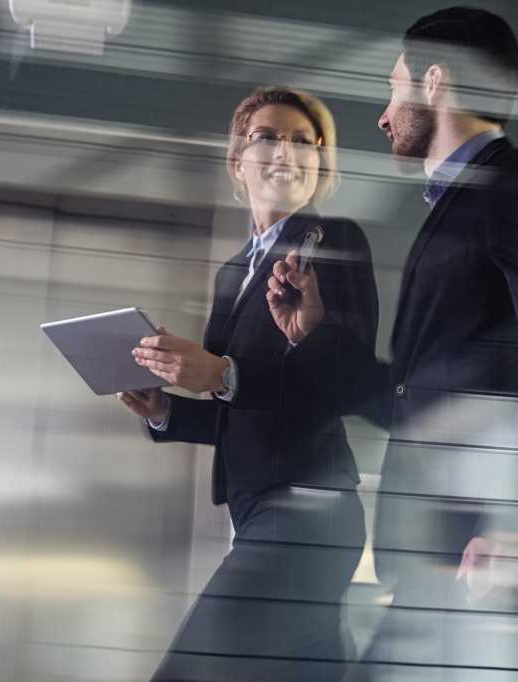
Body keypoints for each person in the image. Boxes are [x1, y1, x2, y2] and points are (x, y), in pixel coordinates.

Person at [265, 8, 518, 678]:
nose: (384, 116)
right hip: (442, 548)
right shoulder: (460, 205)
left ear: (435, 83)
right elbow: (417, 399)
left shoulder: (516, 181)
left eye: (395, 89)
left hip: (482, 548)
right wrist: (315, 335)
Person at [118, 86, 379, 682]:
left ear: (320, 165)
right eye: (267, 136)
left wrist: (222, 374)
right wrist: (165, 410)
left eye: (303, 140)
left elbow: (343, 378)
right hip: (256, 511)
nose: (285, 149)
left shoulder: (333, 242)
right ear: (238, 160)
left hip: (309, 511)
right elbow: (243, 410)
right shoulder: (234, 272)